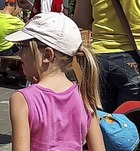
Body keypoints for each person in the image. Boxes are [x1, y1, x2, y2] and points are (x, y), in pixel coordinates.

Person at [7, 13, 105, 150]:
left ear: (47, 55)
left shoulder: (22, 99)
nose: (19, 53)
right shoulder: (84, 96)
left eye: (23, 46)